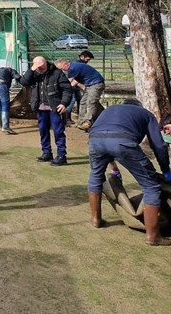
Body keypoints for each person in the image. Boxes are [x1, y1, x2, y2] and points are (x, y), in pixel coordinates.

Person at [87, 100, 171, 246]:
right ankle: (153, 236)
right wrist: (166, 170)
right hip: (122, 141)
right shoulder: (145, 114)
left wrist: (112, 165)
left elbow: (103, 138)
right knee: (151, 186)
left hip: (95, 140)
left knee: (95, 177)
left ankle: (96, 219)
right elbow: (159, 145)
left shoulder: (110, 109)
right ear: (139, 106)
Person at [20, 56, 73, 166]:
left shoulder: (57, 73)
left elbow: (67, 89)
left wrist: (64, 103)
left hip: (55, 107)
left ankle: (61, 156)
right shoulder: (35, 73)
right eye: (37, 66)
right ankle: (47, 152)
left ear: (44, 64)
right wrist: (32, 69)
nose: (39, 68)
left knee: (58, 132)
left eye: (40, 66)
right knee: (43, 131)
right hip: (40, 107)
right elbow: (24, 81)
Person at [55, 57, 105, 132]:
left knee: (91, 102)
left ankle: (88, 122)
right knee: (83, 102)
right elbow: (74, 82)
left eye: (62, 68)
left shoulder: (72, 69)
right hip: (90, 85)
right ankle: (81, 121)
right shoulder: (74, 66)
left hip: (95, 84)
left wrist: (60, 89)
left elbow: (69, 83)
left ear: (65, 64)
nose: (63, 70)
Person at [0, 66, 21, 134]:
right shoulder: (12, 70)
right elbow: (18, 78)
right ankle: (6, 127)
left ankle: (1, 126)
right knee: (5, 105)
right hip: (1, 85)